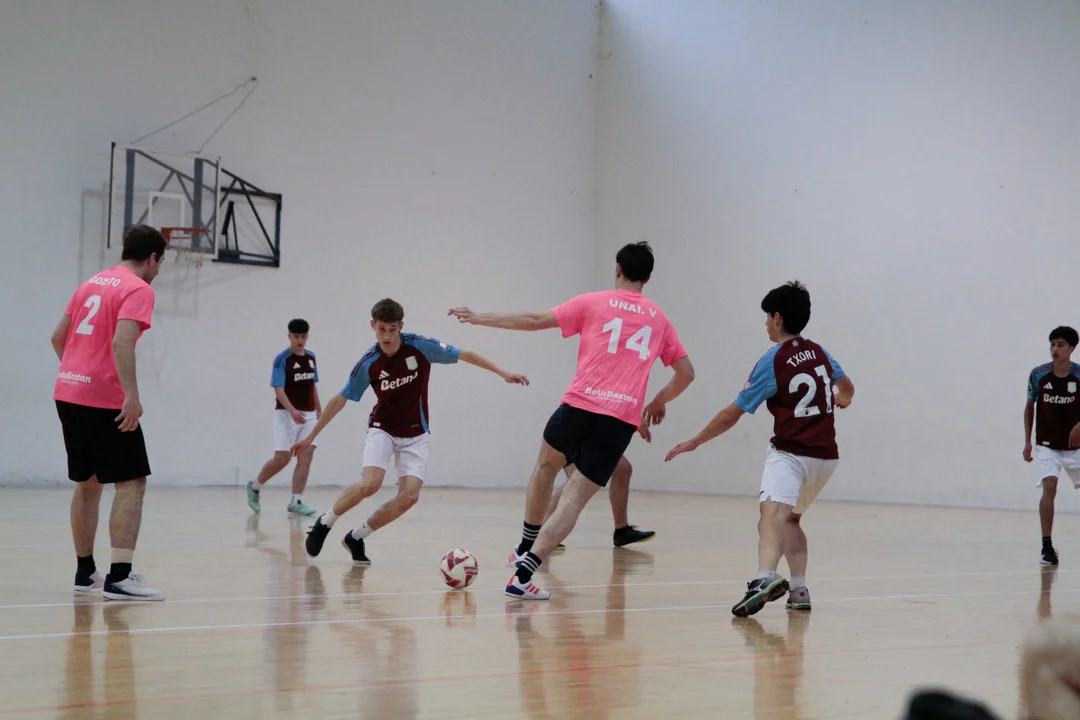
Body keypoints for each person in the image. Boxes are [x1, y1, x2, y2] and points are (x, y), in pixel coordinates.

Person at [449, 241, 695, 600]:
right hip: (618, 421)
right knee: (573, 500)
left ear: (617, 269)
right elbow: (686, 373)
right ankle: (522, 576)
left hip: (578, 405)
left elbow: (534, 321)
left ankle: (524, 545)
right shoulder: (660, 321)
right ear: (648, 278)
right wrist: (658, 402)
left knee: (545, 467)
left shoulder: (593, 302)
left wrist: (479, 317)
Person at [665, 281, 854, 617]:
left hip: (791, 453)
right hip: (826, 458)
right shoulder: (820, 352)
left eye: (767, 317)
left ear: (777, 318)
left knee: (770, 516)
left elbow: (733, 413)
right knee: (791, 520)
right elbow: (848, 387)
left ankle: (764, 577)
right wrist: (843, 399)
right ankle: (799, 588)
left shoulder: (774, 360)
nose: (765, 324)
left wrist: (696, 440)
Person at [296, 298, 529, 564]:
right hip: (383, 428)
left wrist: (502, 372)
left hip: (416, 433)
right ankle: (325, 522)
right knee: (370, 484)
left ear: (401, 326)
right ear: (372, 326)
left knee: (409, 497)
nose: (387, 336)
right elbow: (340, 399)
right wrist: (311, 436)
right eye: (381, 329)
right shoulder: (368, 363)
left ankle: (356, 537)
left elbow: (465, 354)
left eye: (392, 329)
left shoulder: (420, 347)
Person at [50, 224, 168, 601]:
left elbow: (57, 338)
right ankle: (120, 577)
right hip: (104, 401)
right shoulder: (138, 289)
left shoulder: (90, 284)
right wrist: (130, 395)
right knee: (132, 482)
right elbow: (122, 342)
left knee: (88, 483)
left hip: (68, 392)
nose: (158, 271)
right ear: (152, 258)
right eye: (160, 263)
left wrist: (79, 373)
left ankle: (85, 573)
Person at [246, 318, 322, 516]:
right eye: (296, 336)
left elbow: (312, 386)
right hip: (286, 414)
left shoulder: (311, 357)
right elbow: (278, 390)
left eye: (303, 336)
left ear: (307, 336)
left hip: (309, 415)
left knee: (306, 455)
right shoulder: (282, 359)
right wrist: (292, 410)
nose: (300, 340)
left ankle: (296, 501)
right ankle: (255, 487)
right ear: (289, 336)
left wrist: (319, 410)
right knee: (283, 458)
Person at [1023, 326, 1080, 566]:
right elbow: (1030, 406)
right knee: (1050, 485)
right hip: (1047, 445)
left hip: (1076, 447)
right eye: (1052, 344)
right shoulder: (1038, 375)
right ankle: (1046, 547)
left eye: (1061, 345)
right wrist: (1027, 441)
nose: (1055, 349)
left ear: (1072, 348)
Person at [547, 456, 654, 552]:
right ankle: (544, 533)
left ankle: (622, 531)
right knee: (575, 480)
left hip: (594, 440)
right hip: (578, 441)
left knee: (623, 469)